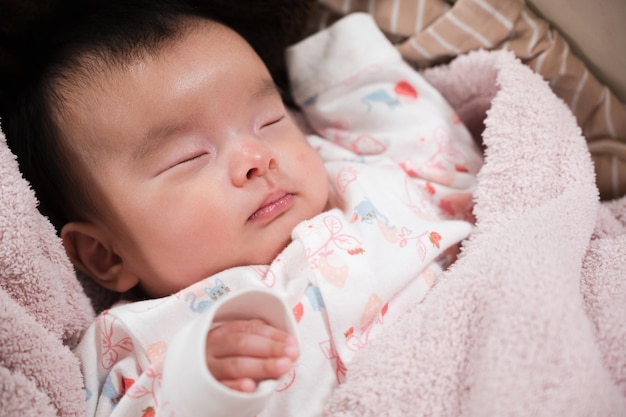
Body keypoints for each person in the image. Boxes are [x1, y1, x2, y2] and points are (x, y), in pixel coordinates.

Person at [1, 2, 482, 416]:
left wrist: (338, 61)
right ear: (105, 255)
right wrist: (197, 383)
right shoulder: (132, 340)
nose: (257, 158)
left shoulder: (359, 182)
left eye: (270, 120)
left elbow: (446, 160)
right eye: (190, 158)